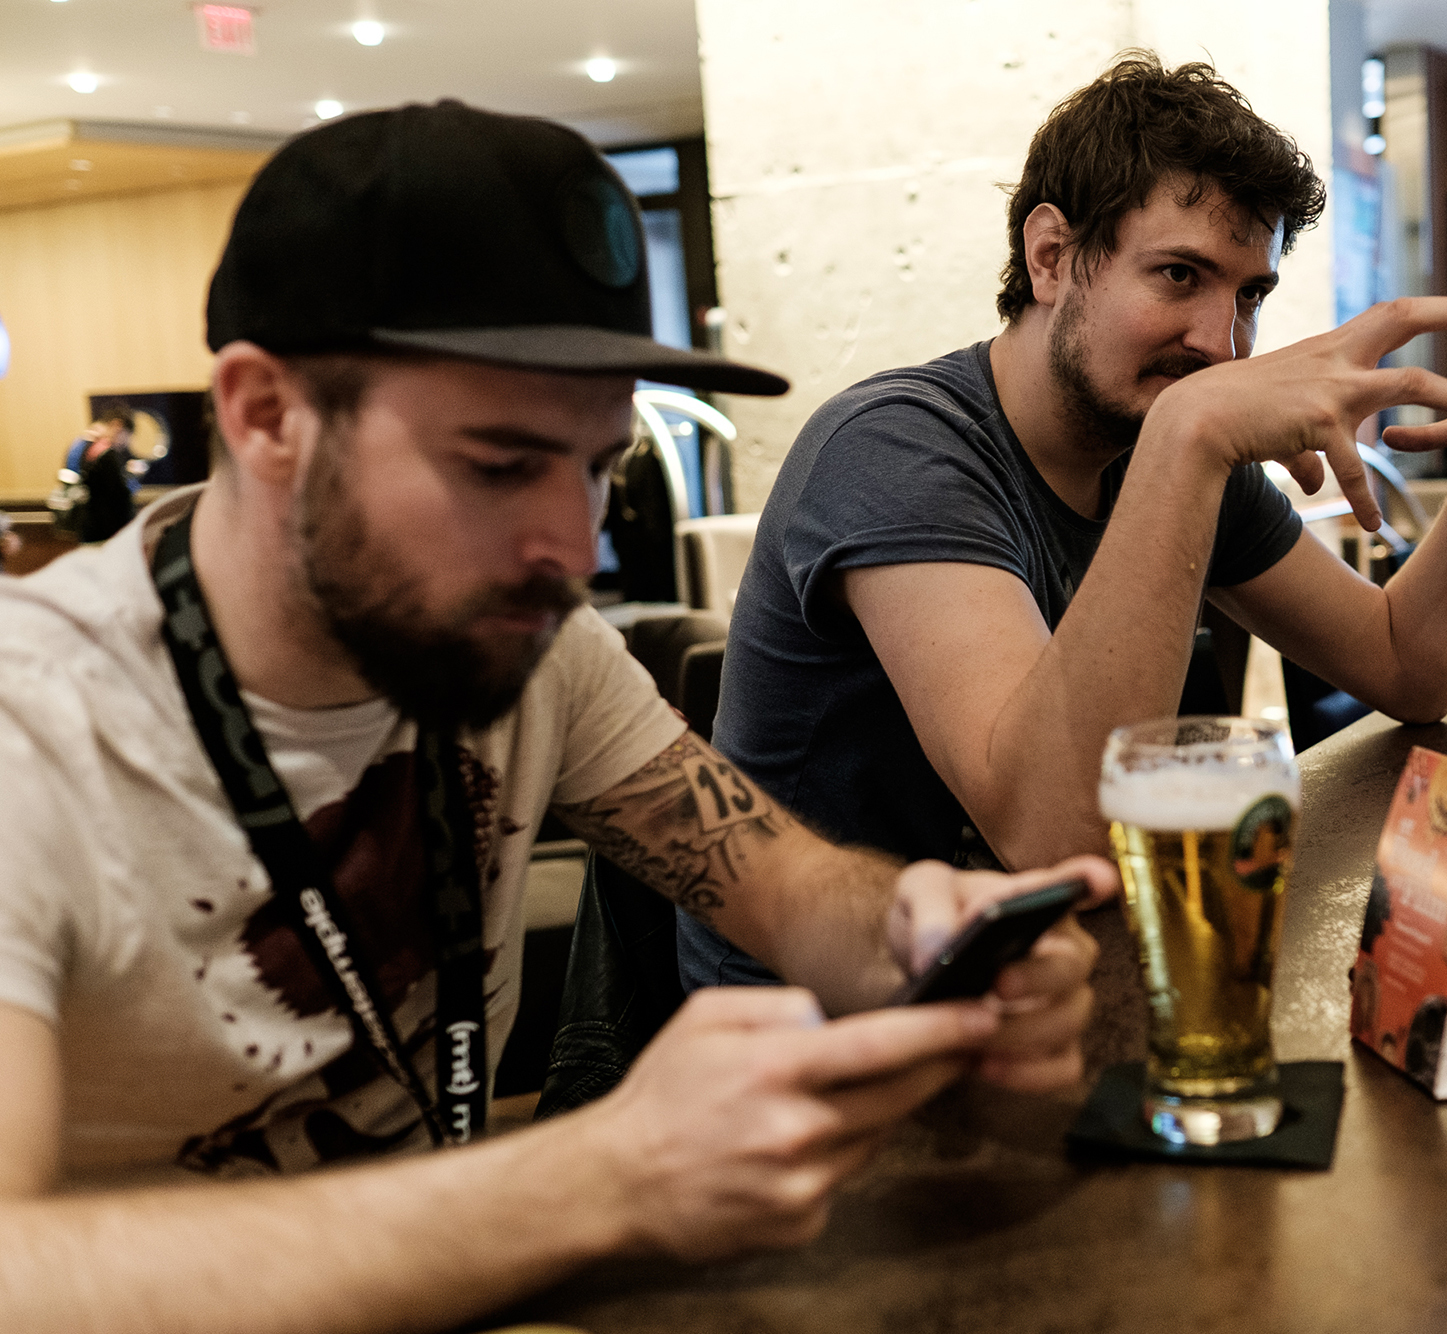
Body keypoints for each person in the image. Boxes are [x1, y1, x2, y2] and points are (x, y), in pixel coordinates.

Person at [0, 100, 1114, 1334]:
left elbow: (788, 888)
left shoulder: (533, 648)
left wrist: (919, 937)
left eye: (595, 467)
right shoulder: (31, 723)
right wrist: (597, 1174)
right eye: (497, 465)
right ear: (267, 415)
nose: (572, 549)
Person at [684, 53, 1447, 988]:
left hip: (1039, 985)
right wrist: (1192, 434)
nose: (1221, 342)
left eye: (1249, 295)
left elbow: (1405, 664)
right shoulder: (896, 450)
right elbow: (1058, 841)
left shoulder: (1156, 440)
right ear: (1051, 257)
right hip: (813, 1028)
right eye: (1178, 275)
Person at [60, 405, 138, 543]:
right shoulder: (107, 453)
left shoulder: (86, 448)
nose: (126, 443)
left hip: (90, 524)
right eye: (127, 435)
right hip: (108, 528)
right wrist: (132, 477)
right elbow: (120, 495)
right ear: (118, 425)